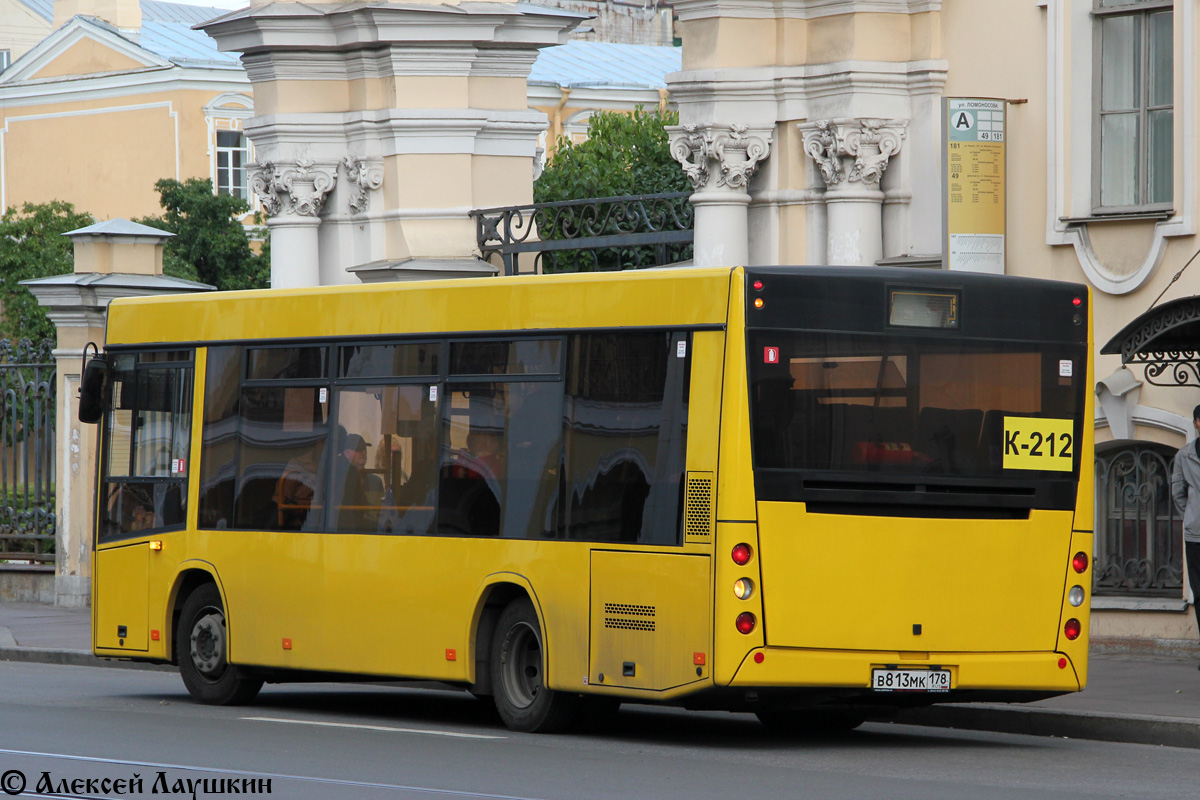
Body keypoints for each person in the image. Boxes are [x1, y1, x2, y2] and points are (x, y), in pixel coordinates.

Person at [1170, 403, 1200, 670]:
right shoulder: (1185, 455)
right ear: (1196, 424)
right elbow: (1178, 490)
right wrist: (1192, 514)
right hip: (1196, 536)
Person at [333, 433, 373, 531]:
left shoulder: (364, 476)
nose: (363, 452)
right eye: (358, 449)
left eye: (364, 449)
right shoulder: (347, 472)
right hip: (346, 526)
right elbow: (353, 504)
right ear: (347, 453)